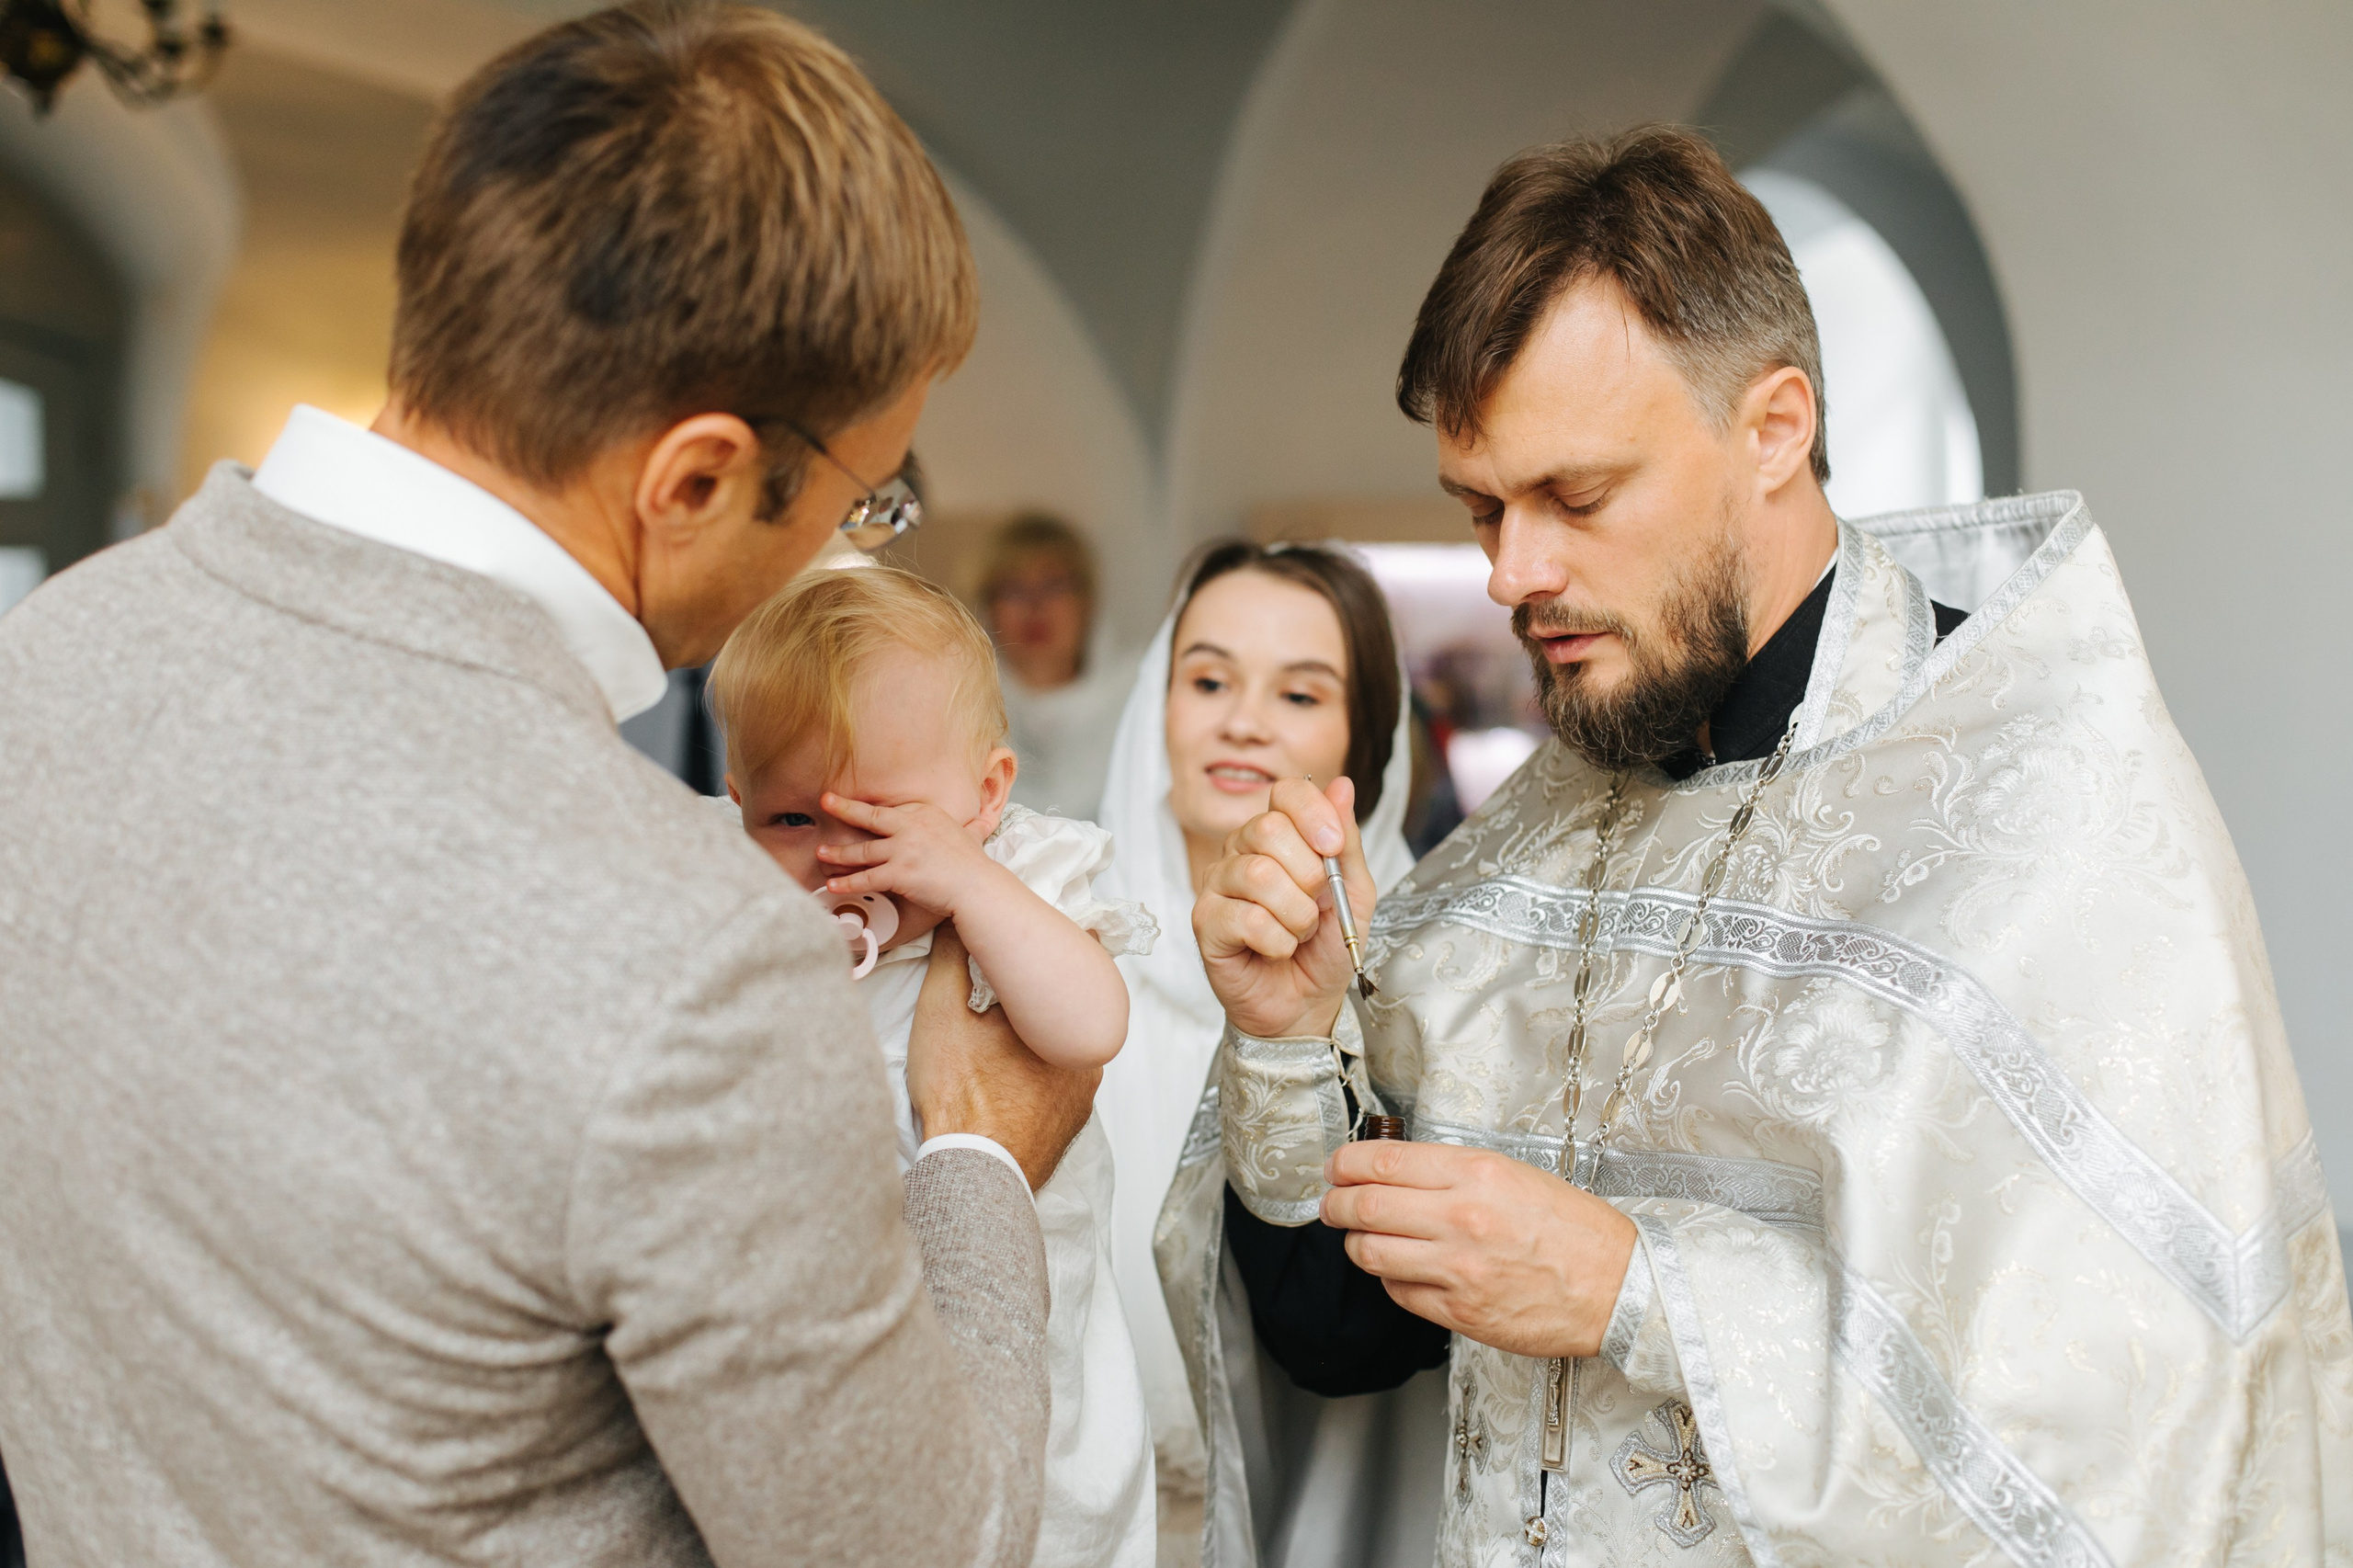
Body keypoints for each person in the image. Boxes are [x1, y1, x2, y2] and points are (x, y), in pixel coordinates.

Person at [0, 6, 1097, 1564]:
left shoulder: (47, 659)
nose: (853, 539)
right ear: (698, 479)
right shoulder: (696, 962)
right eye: (871, 496)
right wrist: (985, 1154)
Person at [1185, 127, 2352, 1563]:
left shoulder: (2049, 811)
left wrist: (1633, 1287)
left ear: (1775, 427)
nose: (1511, 573)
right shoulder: (1530, 842)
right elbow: (1341, 1341)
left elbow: (2136, 1421)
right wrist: (1293, 1040)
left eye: (1578, 498)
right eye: (1483, 507)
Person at [706, 565, 1160, 1568]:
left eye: (878, 823)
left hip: (1003, 1285)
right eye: (790, 820)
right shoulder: (732, 898)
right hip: (820, 1304)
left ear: (986, 794)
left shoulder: (1018, 881)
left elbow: (1090, 1028)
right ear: (737, 803)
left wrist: (968, 883)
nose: (836, 857)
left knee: (1031, 1493)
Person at [1093, 541, 1437, 1565]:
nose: (1241, 720)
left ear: (1360, 741)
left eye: (1298, 692)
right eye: (1207, 679)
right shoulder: (1051, 943)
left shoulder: (1432, 989)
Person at [979, 512, 1131, 821]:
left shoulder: (1137, 697)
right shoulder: (961, 706)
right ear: (988, 606)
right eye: (1014, 590)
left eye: (1054, 586)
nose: (1036, 606)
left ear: (1088, 601)